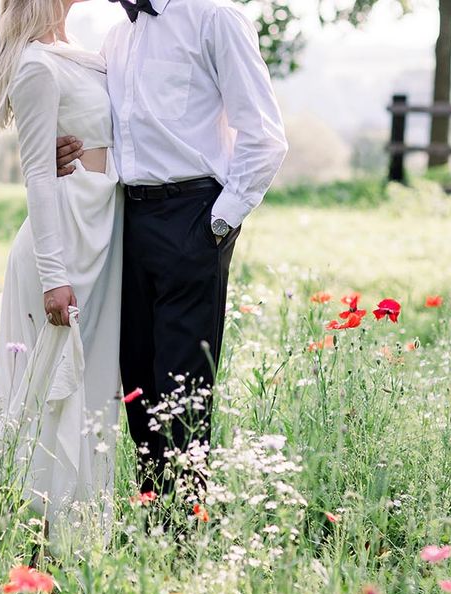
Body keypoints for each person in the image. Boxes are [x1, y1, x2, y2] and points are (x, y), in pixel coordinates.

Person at [57, 0, 288, 500]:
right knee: (137, 377)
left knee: (181, 385)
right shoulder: (116, 37)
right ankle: (155, 518)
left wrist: (218, 222)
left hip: (194, 215)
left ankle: (185, 530)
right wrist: (64, 151)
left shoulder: (214, 19)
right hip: (126, 219)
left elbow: (264, 136)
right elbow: (108, 130)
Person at [0, 0, 123, 551]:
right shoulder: (37, 65)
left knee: (90, 387)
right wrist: (52, 275)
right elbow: (38, 173)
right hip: (61, 245)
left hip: (100, 233)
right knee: (51, 385)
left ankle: (82, 531)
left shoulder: (84, 53)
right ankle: (37, 530)